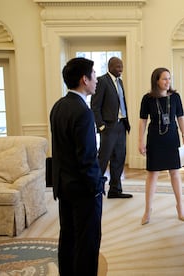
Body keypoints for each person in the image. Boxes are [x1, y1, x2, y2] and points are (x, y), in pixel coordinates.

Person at [50, 57, 106, 276]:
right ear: (84, 79)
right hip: (83, 190)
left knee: (68, 238)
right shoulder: (83, 111)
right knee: (87, 243)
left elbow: (61, 150)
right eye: (94, 75)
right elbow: (86, 158)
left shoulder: (58, 106)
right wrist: (97, 186)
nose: (97, 80)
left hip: (63, 186)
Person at [138, 67, 184, 225]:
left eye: (169, 78)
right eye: (164, 79)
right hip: (155, 139)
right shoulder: (147, 99)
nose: (168, 82)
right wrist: (140, 141)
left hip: (171, 138)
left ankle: (180, 207)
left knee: (175, 173)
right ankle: (148, 210)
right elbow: (143, 121)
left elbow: (180, 117)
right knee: (152, 174)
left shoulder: (175, 97)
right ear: (156, 81)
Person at [91, 57, 132, 199]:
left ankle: (115, 190)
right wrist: (101, 126)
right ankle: (93, 188)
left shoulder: (119, 82)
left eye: (122, 65)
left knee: (119, 158)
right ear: (110, 66)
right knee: (103, 159)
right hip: (108, 127)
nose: (120, 68)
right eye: (117, 66)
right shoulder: (102, 81)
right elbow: (95, 106)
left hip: (121, 125)